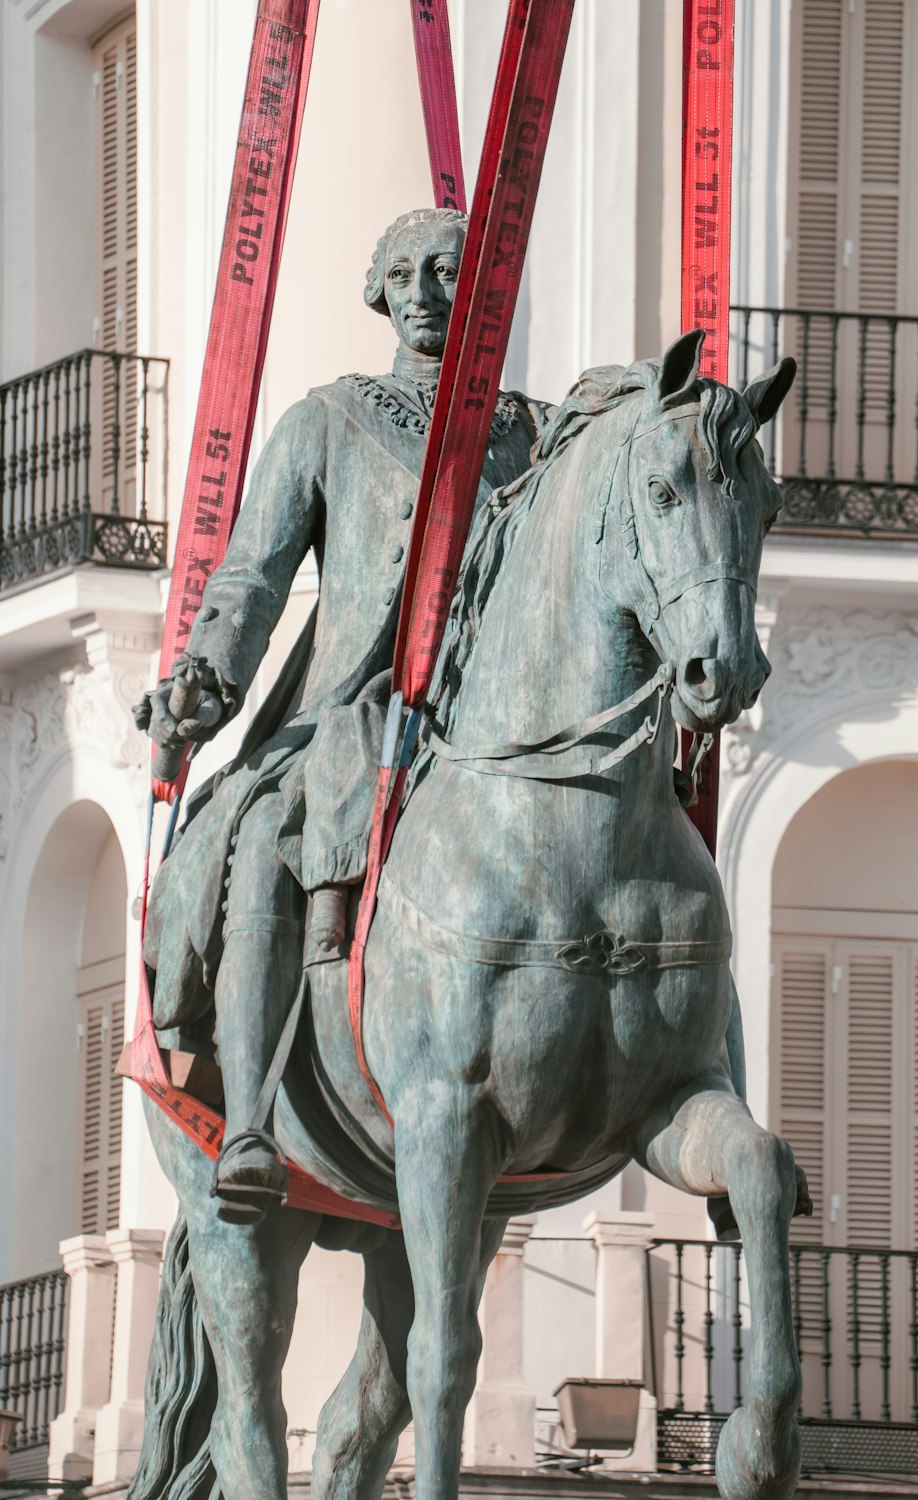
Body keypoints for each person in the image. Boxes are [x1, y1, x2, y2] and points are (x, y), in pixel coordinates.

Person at [135, 208, 550, 1217]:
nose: (422, 292)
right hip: (354, 707)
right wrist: (204, 680)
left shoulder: (536, 434)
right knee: (270, 831)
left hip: (499, 721)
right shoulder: (330, 419)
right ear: (377, 291)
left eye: (447, 272)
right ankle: (249, 1124)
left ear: (481, 294)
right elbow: (252, 579)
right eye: (403, 273)